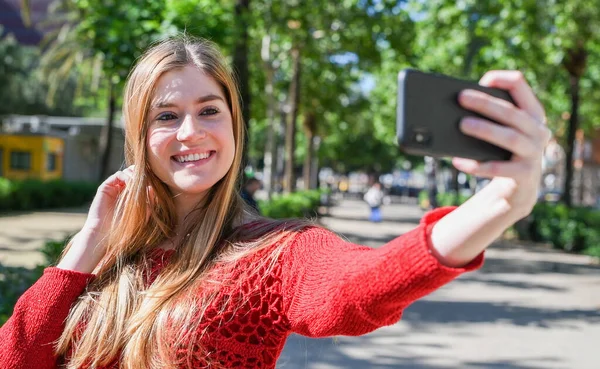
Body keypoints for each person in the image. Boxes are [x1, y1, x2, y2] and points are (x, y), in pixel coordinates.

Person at [0, 36, 551, 369]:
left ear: (235, 127)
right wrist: (87, 246)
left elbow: (360, 287)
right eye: (166, 116)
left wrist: (501, 202)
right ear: (140, 137)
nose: (191, 131)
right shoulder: (102, 260)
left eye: (210, 110)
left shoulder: (274, 254)